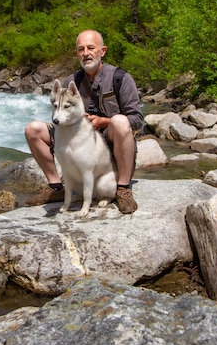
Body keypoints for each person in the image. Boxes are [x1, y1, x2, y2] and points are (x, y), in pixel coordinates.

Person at [24, 29, 144, 214]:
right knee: (33, 130)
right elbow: (60, 113)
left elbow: (136, 120)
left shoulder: (121, 78)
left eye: (91, 48)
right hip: (79, 139)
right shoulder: (71, 81)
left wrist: (104, 121)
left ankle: (123, 188)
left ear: (102, 51)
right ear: (76, 54)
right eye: (81, 49)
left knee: (120, 121)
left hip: (110, 148)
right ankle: (56, 187)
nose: (86, 53)